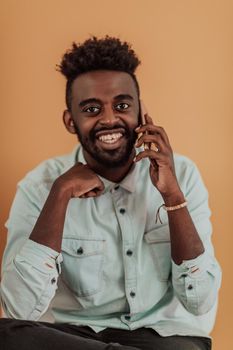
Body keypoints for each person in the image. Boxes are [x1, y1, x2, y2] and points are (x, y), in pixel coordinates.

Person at [0, 36, 221, 350]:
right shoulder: (40, 186)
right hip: (79, 337)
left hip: (166, 338)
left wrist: (173, 198)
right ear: (70, 121)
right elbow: (19, 309)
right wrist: (59, 195)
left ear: (141, 112)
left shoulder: (182, 175)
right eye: (91, 109)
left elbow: (199, 301)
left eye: (122, 105)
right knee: (5, 334)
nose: (108, 119)